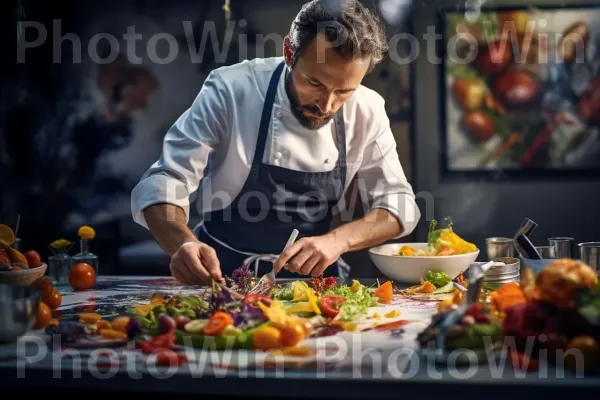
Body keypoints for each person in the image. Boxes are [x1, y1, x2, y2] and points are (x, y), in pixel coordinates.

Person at [131, 0, 421, 286]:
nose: (327, 105)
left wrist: (338, 240)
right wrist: (182, 243)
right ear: (288, 53)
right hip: (219, 277)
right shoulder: (231, 90)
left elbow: (400, 205)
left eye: (344, 91)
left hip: (315, 287)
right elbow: (166, 180)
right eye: (315, 83)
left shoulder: (367, 109)